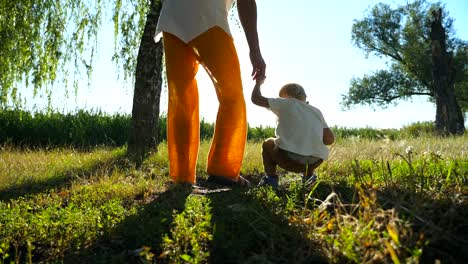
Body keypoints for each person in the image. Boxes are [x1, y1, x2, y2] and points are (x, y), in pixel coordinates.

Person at [154, 0, 266, 186]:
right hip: (207, 14)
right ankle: (223, 168)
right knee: (232, 95)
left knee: (181, 98)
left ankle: (183, 176)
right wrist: (255, 51)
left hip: (172, 16)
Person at [251, 78, 335, 188]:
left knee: (268, 143)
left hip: (288, 159)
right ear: (304, 97)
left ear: (286, 96)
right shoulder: (316, 111)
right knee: (309, 146)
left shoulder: (285, 102)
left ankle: (270, 180)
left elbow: (256, 99)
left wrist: (258, 83)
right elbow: (330, 140)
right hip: (315, 161)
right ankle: (309, 178)